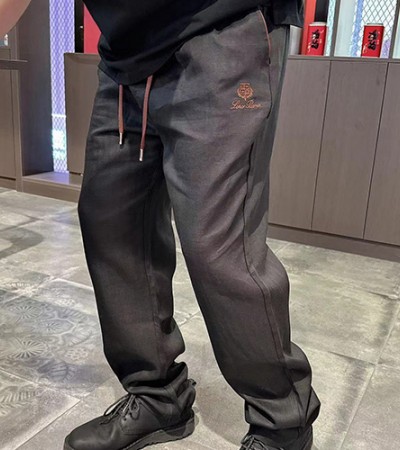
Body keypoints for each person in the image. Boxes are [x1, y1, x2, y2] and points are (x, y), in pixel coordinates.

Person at [1, 1, 321, 449]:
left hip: (221, 29)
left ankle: (284, 421)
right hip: (126, 52)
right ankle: (159, 395)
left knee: (217, 247)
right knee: (113, 223)